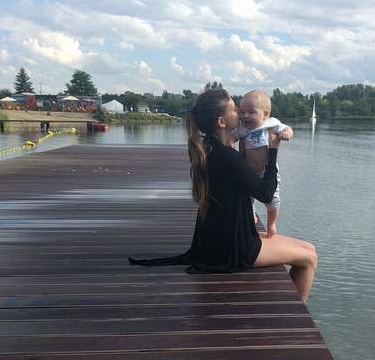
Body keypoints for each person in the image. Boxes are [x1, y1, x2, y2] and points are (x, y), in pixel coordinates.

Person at [129, 88, 317, 302]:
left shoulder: (207, 148)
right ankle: (293, 312)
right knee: (309, 257)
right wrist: (273, 151)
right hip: (232, 249)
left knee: (308, 248)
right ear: (221, 122)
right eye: (234, 109)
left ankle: (291, 307)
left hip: (215, 241)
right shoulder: (227, 157)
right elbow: (266, 193)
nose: (240, 113)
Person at [233, 89, 293, 238]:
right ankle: (252, 215)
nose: (245, 116)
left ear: (265, 114)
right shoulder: (243, 129)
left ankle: (271, 223)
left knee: (273, 200)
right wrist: (228, 141)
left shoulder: (271, 123)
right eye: (242, 112)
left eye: (251, 112)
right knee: (246, 197)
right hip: (249, 171)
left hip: (266, 171)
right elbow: (232, 137)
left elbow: (287, 128)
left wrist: (286, 133)